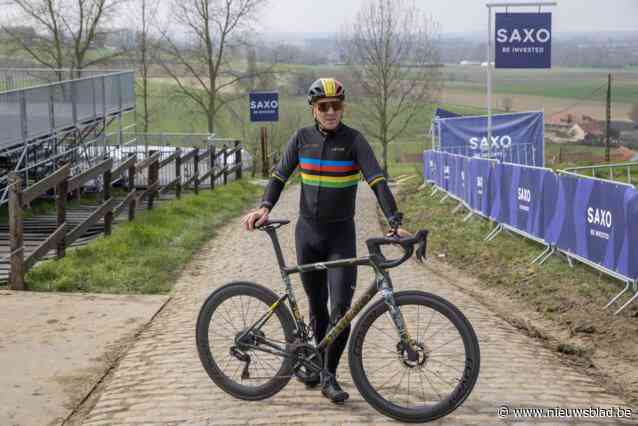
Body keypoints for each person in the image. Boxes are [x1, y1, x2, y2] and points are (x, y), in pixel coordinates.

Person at [241, 78, 409, 404]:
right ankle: (315, 362)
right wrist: (264, 207)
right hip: (307, 235)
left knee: (342, 311)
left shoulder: (354, 141)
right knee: (317, 309)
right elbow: (278, 176)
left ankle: (329, 375)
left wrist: (394, 222)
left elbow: (376, 181)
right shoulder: (301, 139)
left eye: (336, 106)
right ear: (314, 110)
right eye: (324, 107)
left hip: (340, 237)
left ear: (342, 108)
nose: (331, 112)